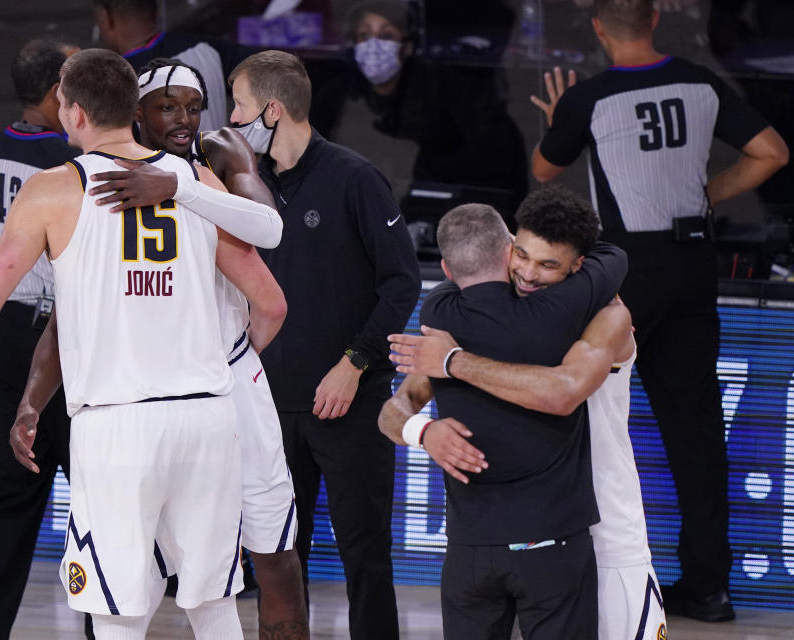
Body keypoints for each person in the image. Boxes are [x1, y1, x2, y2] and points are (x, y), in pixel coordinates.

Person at [0, 48, 285, 640]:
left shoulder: (51, 190)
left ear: (71, 113)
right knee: (213, 605)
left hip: (117, 426)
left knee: (115, 612)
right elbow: (270, 302)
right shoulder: (191, 180)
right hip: (206, 418)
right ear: (134, 109)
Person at [530, 0, 789, 621]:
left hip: (627, 270)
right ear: (654, 22)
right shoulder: (700, 81)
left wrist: (555, 122)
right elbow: (773, 152)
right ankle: (709, 586)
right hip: (694, 261)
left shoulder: (587, 97)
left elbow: (545, 171)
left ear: (598, 28)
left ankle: (566, 569)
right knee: (696, 430)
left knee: (579, 408)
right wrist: (703, 194)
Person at [383, 184, 667, 640]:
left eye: (548, 264)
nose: (529, 274)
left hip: (609, 531)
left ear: (579, 267)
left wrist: (456, 361)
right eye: (523, 255)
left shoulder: (606, 315)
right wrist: (424, 431)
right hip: (527, 533)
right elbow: (396, 408)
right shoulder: (475, 322)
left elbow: (564, 391)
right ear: (508, 246)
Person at [227, 49, 421, 638]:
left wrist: (354, 363)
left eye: (239, 107)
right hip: (271, 405)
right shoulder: (244, 184)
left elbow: (402, 281)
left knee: (366, 554)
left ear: (273, 109)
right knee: (280, 556)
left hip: (351, 404)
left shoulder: (355, 178)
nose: (232, 120)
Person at [0, 37, 79, 640]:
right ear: (60, 91)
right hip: (68, 342)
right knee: (100, 495)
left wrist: (12, 286)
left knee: (7, 497)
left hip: (4, 337)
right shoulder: (75, 163)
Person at [311, 0, 527, 217]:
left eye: (386, 36)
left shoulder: (438, 102)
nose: (373, 47)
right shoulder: (345, 100)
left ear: (407, 46)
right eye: (364, 36)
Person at [92, 0, 248, 133]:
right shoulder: (208, 49)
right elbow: (269, 72)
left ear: (107, 17)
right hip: (217, 166)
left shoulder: (110, 84)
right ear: (156, 12)